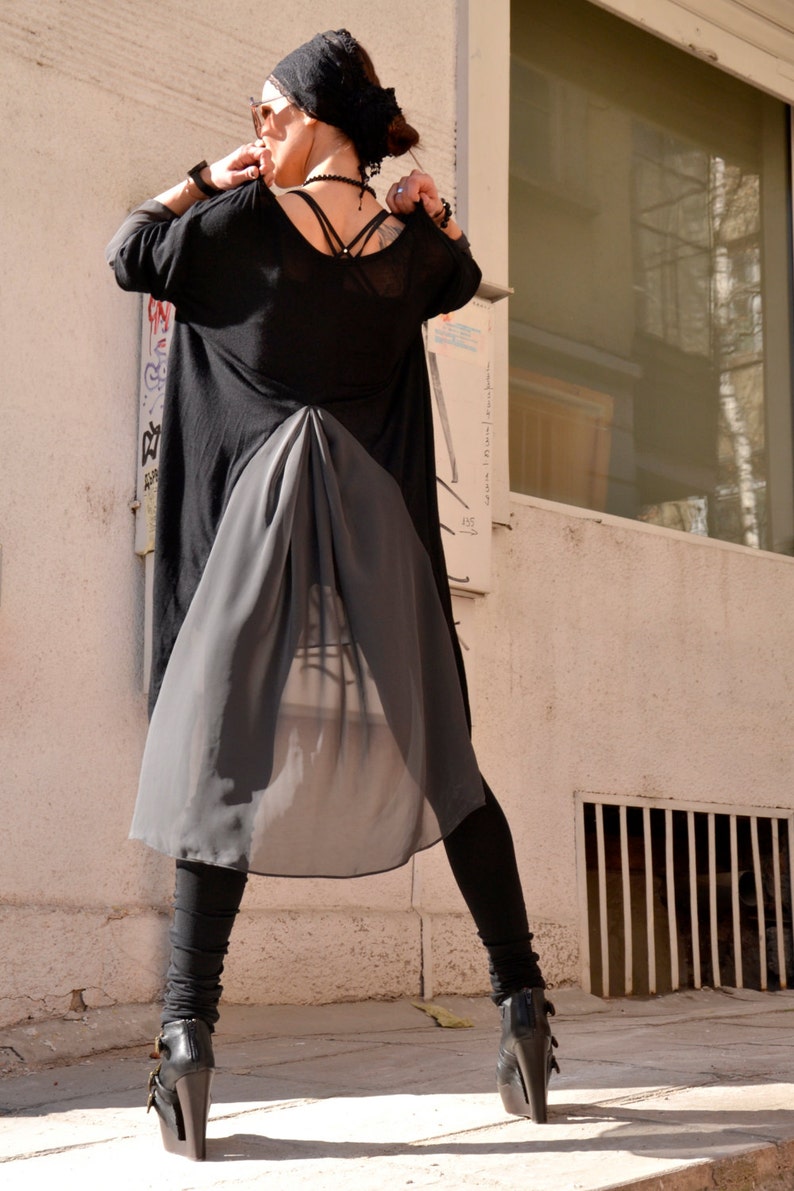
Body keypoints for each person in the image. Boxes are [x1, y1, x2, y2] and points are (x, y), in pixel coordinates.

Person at [106, 29, 558, 1161]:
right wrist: (432, 211)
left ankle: (185, 1044)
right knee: (444, 757)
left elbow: (129, 250)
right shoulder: (406, 255)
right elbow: (454, 276)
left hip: (256, 531)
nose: (256, 127)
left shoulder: (238, 228)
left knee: (223, 762)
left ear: (316, 114)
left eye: (269, 109)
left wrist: (205, 177)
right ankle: (523, 1011)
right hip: (376, 531)